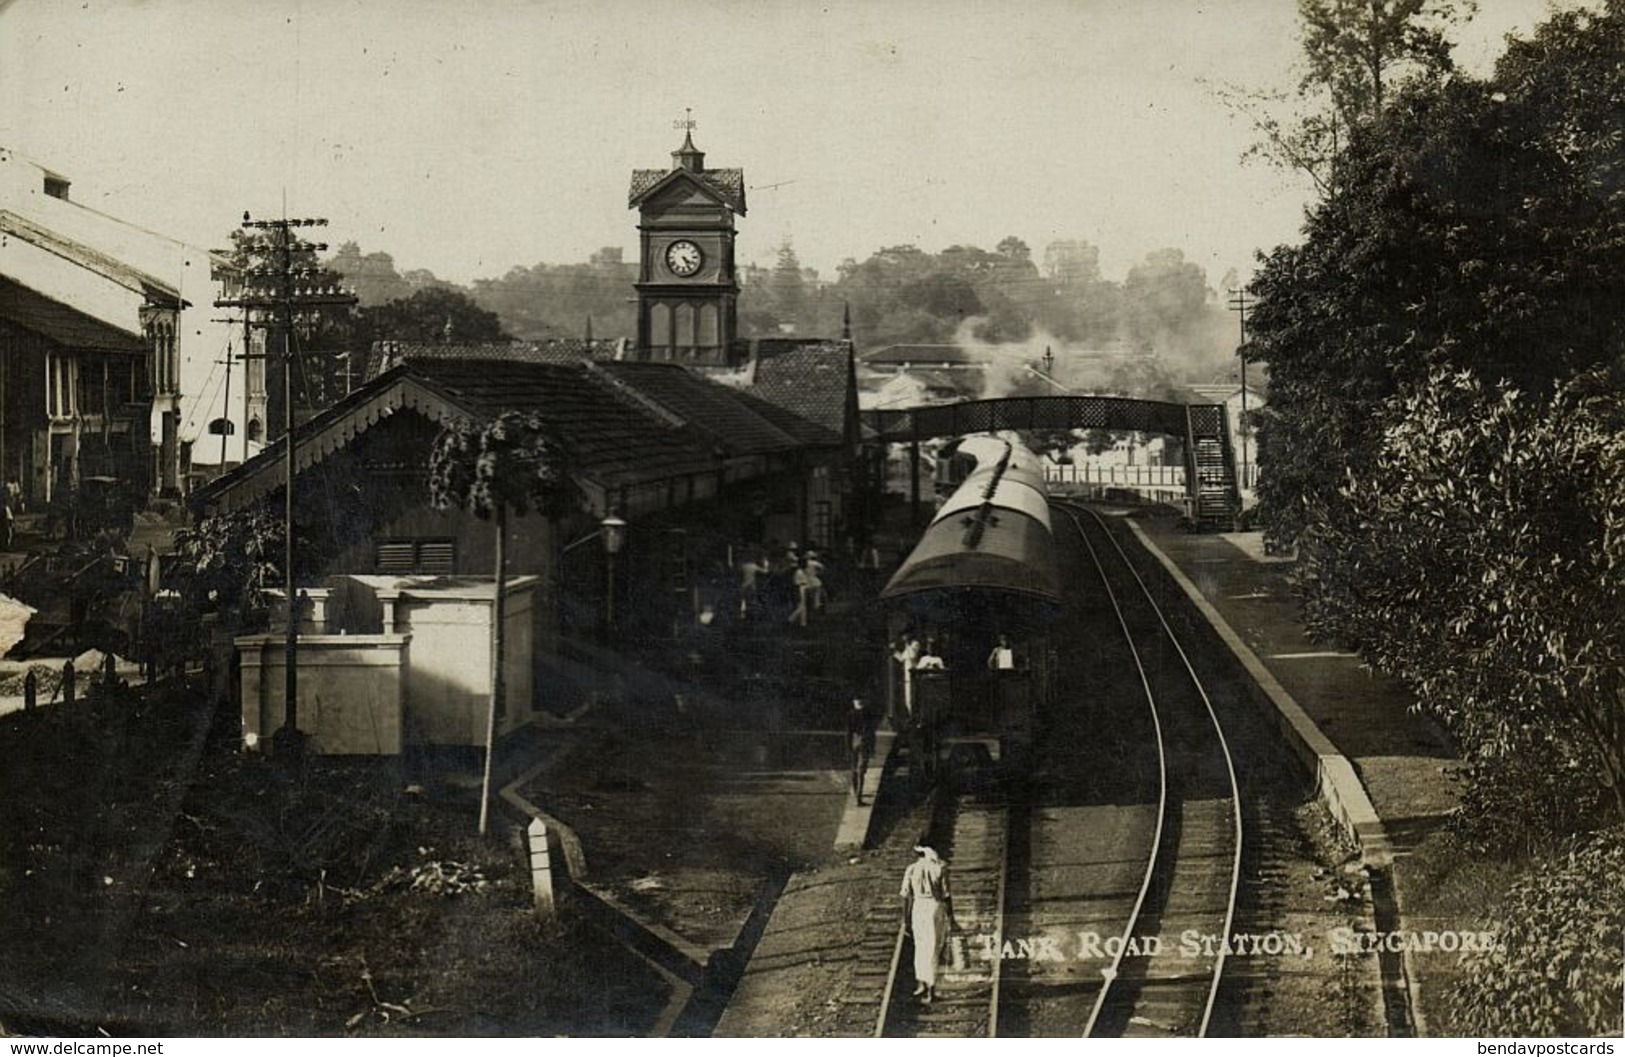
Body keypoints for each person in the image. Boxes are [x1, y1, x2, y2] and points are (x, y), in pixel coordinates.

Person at [900, 844, 956, 1004]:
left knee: (920, 947)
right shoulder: (939, 868)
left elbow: (905, 896)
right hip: (934, 908)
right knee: (933, 949)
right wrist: (952, 917)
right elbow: (946, 896)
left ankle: (921, 984)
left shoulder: (911, 869)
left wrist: (906, 919)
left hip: (918, 908)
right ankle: (931, 990)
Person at [847, 696, 877, 805]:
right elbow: (872, 732)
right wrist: (872, 748)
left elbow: (849, 732)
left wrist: (849, 746)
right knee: (861, 771)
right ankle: (859, 798)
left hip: (855, 741)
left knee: (854, 769)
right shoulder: (868, 714)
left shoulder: (850, 714)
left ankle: (856, 794)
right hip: (865, 741)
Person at [892, 633, 922, 716]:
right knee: (907, 699)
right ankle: (909, 715)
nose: (917, 647)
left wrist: (906, 643)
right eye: (915, 645)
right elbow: (902, 658)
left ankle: (913, 715)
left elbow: (912, 656)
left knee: (912, 698)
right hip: (906, 678)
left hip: (912, 677)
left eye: (917, 645)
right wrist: (894, 651)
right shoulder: (907, 650)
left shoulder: (912, 650)